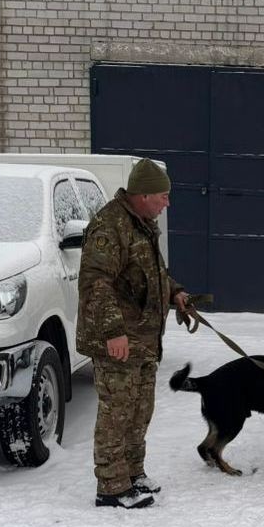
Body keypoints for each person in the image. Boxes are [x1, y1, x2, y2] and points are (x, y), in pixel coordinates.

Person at [76, 158, 188, 509]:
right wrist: (113, 332)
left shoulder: (141, 223)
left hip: (143, 340)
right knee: (117, 411)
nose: (167, 203)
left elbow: (149, 274)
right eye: (163, 196)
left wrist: (175, 292)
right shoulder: (110, 227)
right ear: (142, 195)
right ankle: (111, 486)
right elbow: (96, 283)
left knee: (140, 410)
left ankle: (133, 473)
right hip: (119, 340)